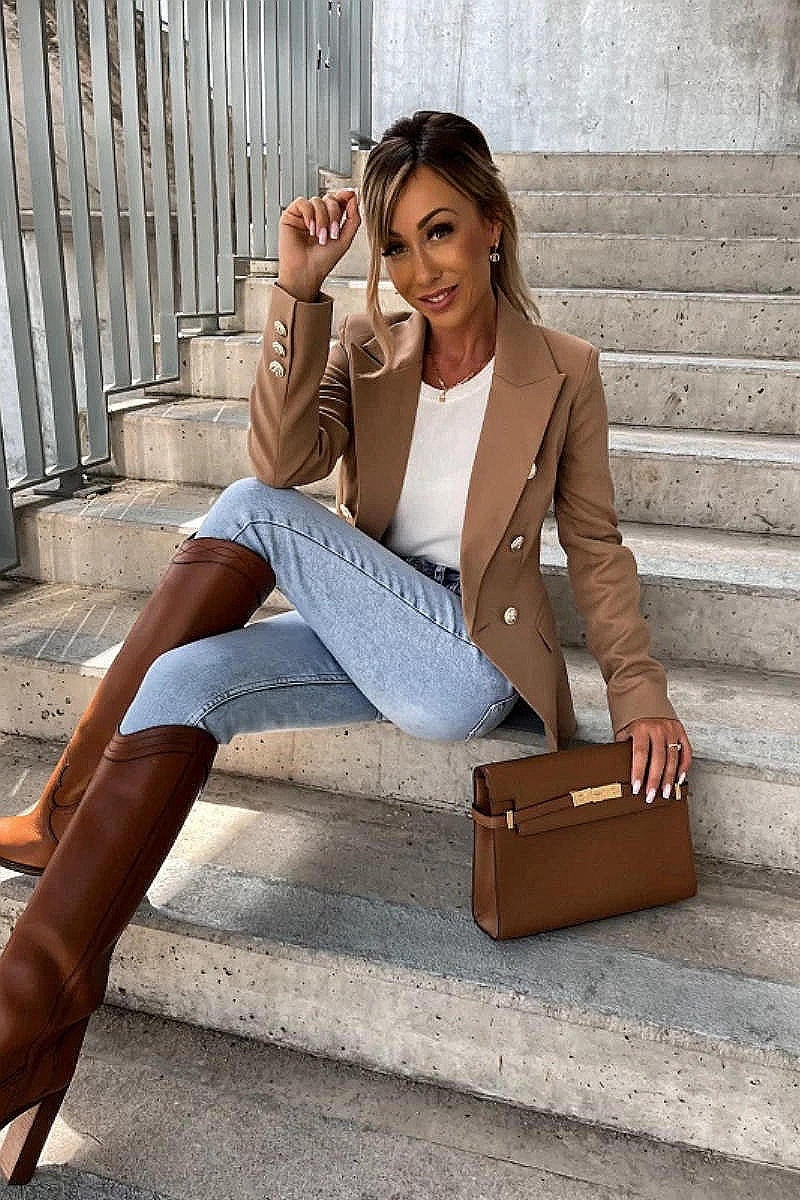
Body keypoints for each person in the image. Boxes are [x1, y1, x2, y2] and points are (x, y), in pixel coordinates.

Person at [0, 110, 692, 1182]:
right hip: (366, 619)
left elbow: (593, 545)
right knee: (182, 678)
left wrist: (637, 691)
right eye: (398, 245)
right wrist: (302, 294)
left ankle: (54, 840)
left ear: (493, 227)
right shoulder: (369, 350)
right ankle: (37, 1017)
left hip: (463, 657)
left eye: (442, 232)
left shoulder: (562, 370)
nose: (421, 270)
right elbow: (284, 457)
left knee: (245, 509)